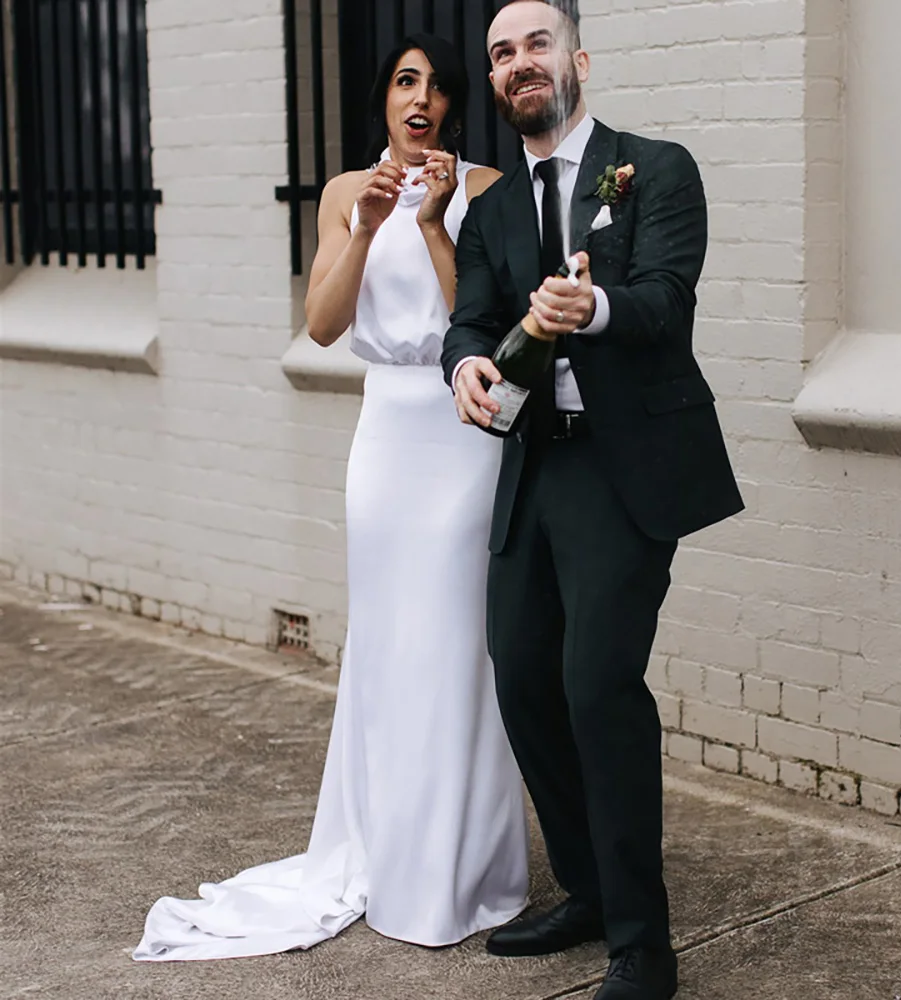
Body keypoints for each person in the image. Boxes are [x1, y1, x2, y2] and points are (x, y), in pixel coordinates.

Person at [133, 34, 529, 962]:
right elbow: (321, 325)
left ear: (457, 104)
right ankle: (388, 852)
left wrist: (433, 223)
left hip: (461, 435)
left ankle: (456, 871)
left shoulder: (485, 194)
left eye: (434, 85)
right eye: (402, 82)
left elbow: (488, 319)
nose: (418, 98)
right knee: (391, 650)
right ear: (383, 101)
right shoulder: (348, 194)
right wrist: (366, 225)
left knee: (457, 647)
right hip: (383, 442)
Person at [442, 2, 744, 997]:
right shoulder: (487, 212)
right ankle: (583, 887)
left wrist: (596, 305)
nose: (518, 64)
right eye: (500, 54)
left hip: (624, 471)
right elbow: (471, 322)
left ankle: (641, 940)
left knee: (595, 685)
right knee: (520, 672)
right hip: (535, 464)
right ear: (494, 82)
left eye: (534, 44)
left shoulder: (653, 169)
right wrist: (467, 368)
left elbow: (666, 297)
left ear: (576, 59)